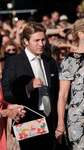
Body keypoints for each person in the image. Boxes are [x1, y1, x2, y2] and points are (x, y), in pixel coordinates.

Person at [1, 21, 59, 150]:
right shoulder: (13, 63)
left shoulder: (49, 61)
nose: (41, 44)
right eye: (36, 40)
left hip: (50, 120)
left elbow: (56, 92)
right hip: (28, 121)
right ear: (25, 41)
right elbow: (6, 93)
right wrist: (27, 88)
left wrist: (59, 122)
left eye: (43, 40)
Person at [55, 18, 84, 149]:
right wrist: (61, 123)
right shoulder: (70, 61)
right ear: (81, 34)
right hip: (78, 120)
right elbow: (63, 95)